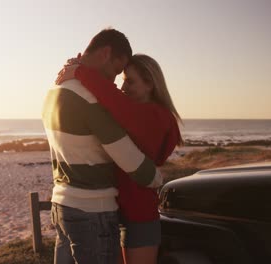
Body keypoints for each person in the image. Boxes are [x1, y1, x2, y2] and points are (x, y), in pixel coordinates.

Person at [42, 29, 164, 264]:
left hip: (61, 207)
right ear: (106, 53)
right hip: (91, 211)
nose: (115, 82)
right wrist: (157, 178)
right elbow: (131, 161)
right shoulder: (90, 100)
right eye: (117, 71)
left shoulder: (54, 91)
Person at [56, 54, 183, 264]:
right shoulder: (133, 114)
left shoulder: (156, 116)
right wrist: (84, 65)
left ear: (150, 84)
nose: (123, 87)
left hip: (139, 213)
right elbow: (107, 101)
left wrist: (80, 71)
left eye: (130, 81)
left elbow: (114, 99)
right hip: (113, 210)